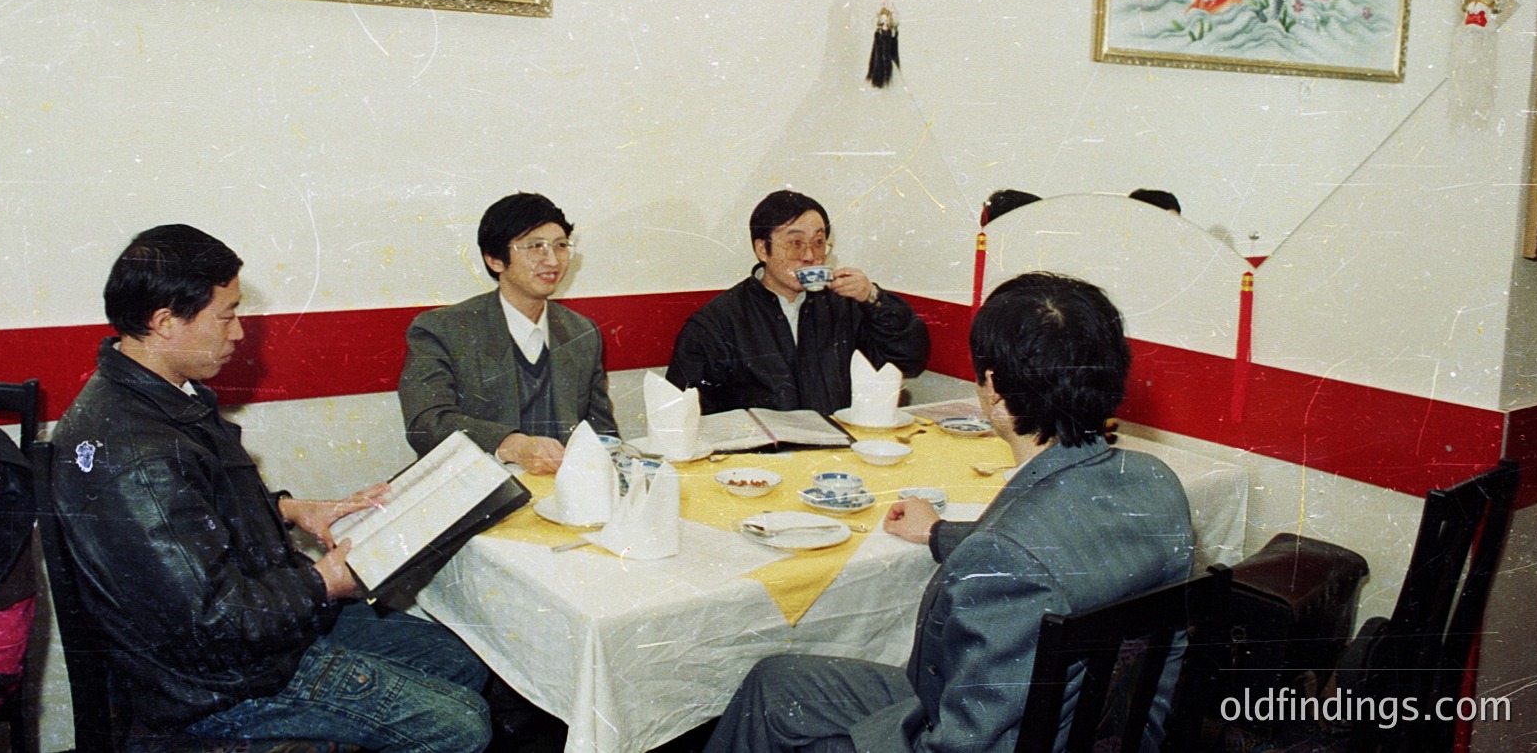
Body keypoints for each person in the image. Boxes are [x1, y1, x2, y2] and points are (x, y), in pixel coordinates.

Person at [703, 272, 1194, 753]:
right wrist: (940, 532)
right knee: (777, 682)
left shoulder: (1007, 556)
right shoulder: (1156, 482)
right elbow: (1059, 553)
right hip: (1098, 729)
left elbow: (965, 740)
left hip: (980, 733)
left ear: (993, 391)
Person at [51, 225, 491, 753]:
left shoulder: (150, 397)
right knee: (462, 724)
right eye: (227, 314)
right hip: (217, 687)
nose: (238, 333)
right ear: (165, 322)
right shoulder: (138, 451)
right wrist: (326, 581)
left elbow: (194, 513)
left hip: (240, 646)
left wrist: (290, 509)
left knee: (459, 659)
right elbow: (216, 619)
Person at [399, 192, 615, 475]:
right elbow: (425, 424)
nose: (552, 260)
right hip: (476, 491)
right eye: (535, 246)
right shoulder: (443, 329)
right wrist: (510, 444)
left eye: (560, 245)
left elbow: (602, 431)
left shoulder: (581, 332)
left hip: (560, 493)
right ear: (495, 260)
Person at [667, 190, 930, 416]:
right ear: (762, 249)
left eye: (818, 242)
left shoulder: (845, 305)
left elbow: (909, 360)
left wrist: (873, 298)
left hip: (839, 450)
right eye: (795, 243)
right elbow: (683, 411)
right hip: (760, 462)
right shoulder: (717, 323)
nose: (809, 255)